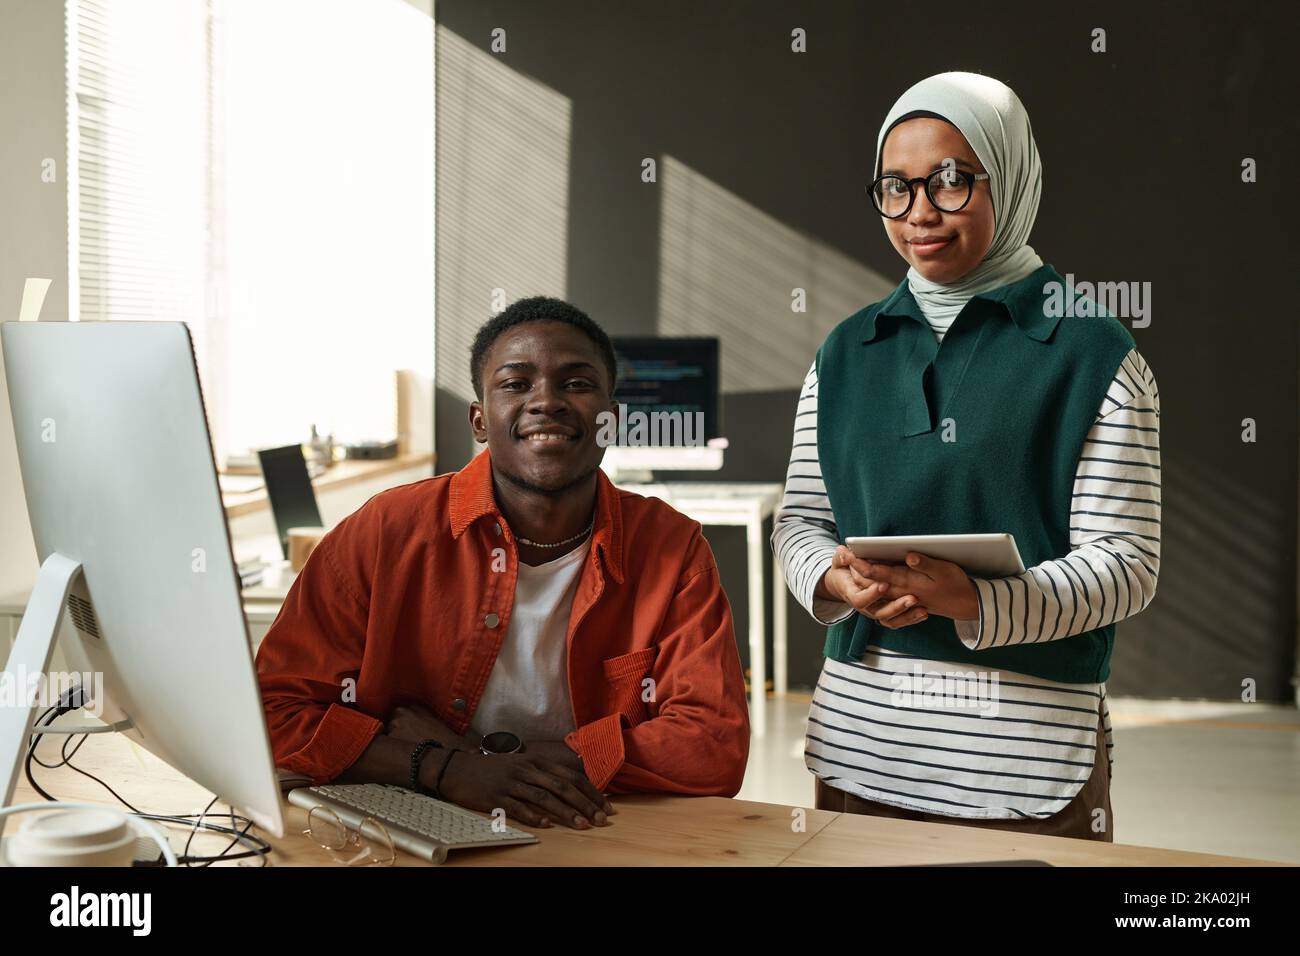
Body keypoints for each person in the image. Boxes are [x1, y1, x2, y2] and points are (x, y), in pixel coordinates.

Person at [772, 72, 1161, 841]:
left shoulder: (1095, 353)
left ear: (1007, 179)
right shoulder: (844, 352)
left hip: (1025, 764)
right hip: (862, 747)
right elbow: (802, 521)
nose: (920, 213)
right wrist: (834, 578)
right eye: (896, 186)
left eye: (951, 180)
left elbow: (1128, 562)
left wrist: (977, 601)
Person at [257, 296, 750, 831]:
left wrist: (475, 758)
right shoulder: (384, 530)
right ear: (479, 420)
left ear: (611, 420)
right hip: (412, 823)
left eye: (576, 383)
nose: (547, 402)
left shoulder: (672, 547)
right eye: (516, 384)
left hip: (591, 823)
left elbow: (712, 743)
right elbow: (272, 711)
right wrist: (441, 769)